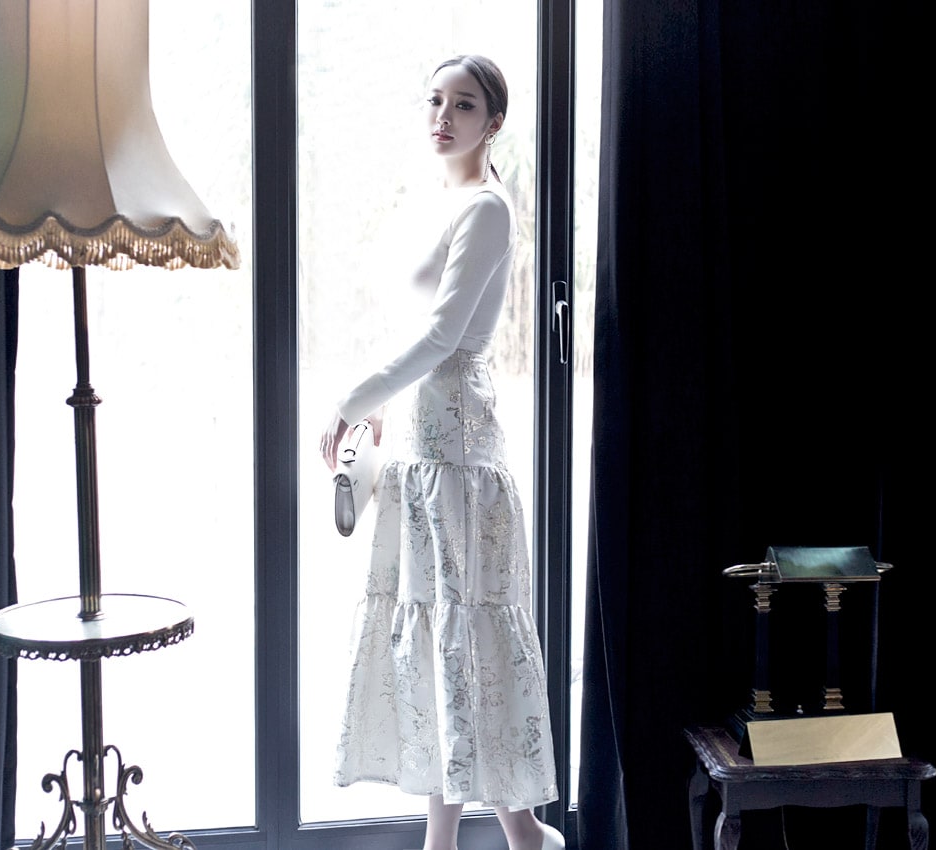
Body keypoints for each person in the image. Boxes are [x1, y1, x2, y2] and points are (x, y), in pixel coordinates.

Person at [318, 55, 564, 850]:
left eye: (463, 104)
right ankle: (484, 839)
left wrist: (351, 399)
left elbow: (444, 336)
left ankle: (507, 837)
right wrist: (382, 407)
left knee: (462, 640)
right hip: (420, 454)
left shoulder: (487, 209)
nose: (443, 116)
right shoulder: (440, 204)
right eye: (435, 100)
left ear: (494, 123)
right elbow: (413, 332)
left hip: (457, 459)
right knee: (433, 643)